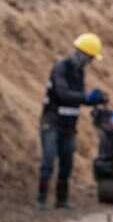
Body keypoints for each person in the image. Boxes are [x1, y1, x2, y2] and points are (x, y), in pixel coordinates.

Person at [38, 33, 108, 210]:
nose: (90, 62)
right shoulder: (60, 68)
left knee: (66, 163)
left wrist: (94, 100)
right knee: (48, 160)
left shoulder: (79, 73)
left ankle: (62, 200)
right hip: (52, 122)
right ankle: (42, 199)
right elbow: (63, 93)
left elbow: (77, 98)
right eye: (90, 58)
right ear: (83, 55)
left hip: (68, 126)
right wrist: (86, 97)